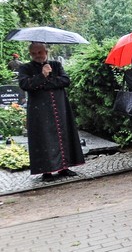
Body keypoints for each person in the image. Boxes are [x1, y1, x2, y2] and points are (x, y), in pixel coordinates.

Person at [17, 42, 85, 181]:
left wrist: (44, 83)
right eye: (34, 53)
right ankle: (46, 171)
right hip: (39, 112)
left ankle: (64, 167)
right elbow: (25, 85)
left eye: (40, 52)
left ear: (45, 52)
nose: (37, 55)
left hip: (60, 108)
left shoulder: (56, 65)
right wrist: (42, 76)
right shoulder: (25, 68)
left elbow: (65, 80)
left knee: (64, 135)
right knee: (43, 139)